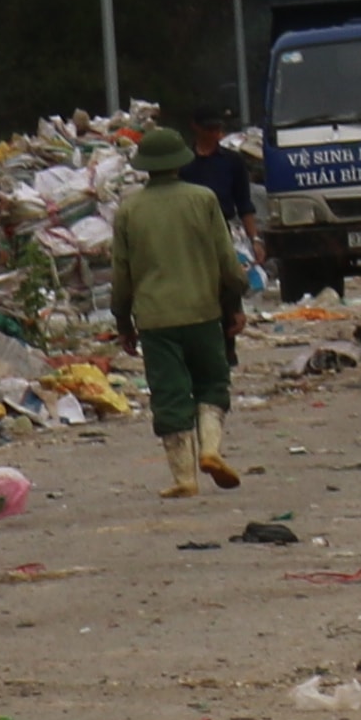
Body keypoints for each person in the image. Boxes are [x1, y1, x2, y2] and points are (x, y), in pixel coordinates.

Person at [110, 122, 252, 495]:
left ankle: (184, 478)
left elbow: (121, 275)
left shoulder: (129, 210)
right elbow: (227, 262)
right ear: (179, 162)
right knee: (211, 384)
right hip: (204, 312)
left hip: (156, 320)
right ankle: (210, 449)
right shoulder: (203, 199)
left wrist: (123, 321)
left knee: (170, 394)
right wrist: (234, 304)